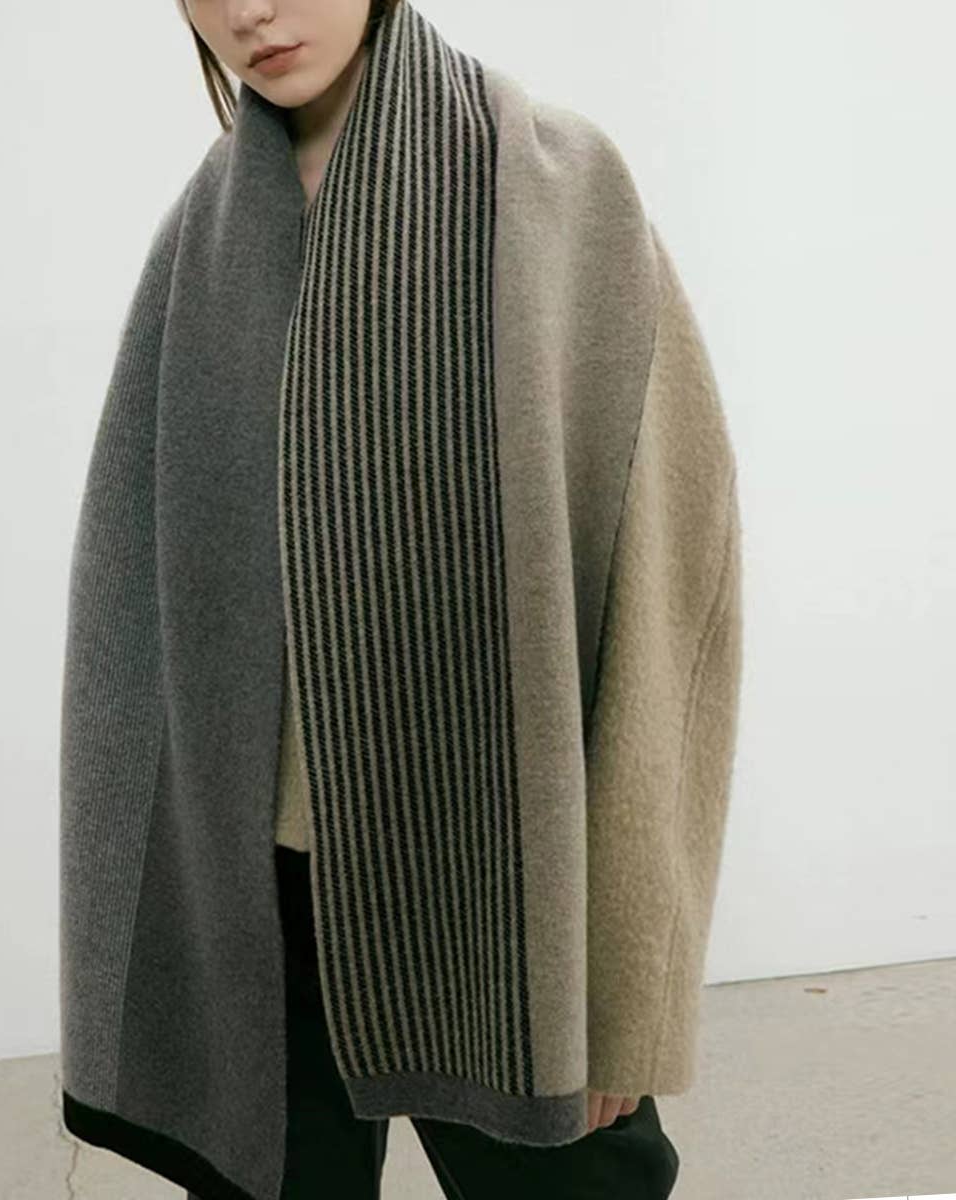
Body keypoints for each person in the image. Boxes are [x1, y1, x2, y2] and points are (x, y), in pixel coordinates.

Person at [58, 2, 742, 1198]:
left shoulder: (557, 189)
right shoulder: (203, 240)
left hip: (497, 883)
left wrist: (628, 992)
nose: (250, 10)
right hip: (260, 900)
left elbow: (666, 600)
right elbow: (135, 615)